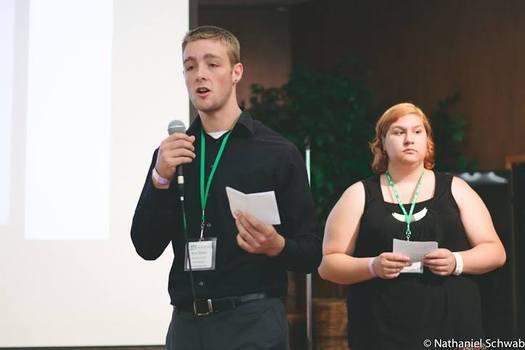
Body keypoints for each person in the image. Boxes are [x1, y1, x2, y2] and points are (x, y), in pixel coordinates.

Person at [131, 25, 321, 350]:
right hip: (188, 327)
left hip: (254, 322)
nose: (199, 75)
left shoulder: (277, 152)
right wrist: (159, 178)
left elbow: (310, 253)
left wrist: (277, 245)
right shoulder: (173, 154)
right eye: (190, 67)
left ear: (236, 72)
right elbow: (146, 246)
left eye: (212, 64)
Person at [318, 102, 506, 350]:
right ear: (382, 142)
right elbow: (328, 265)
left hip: (453, 331)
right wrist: (372, 266)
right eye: (398, 132)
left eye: (418, 132)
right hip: (380, 332)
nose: (409, 139)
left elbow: (495, 251)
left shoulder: (457, 189)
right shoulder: (359, 194)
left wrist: (456, 261)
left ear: (427, 141)